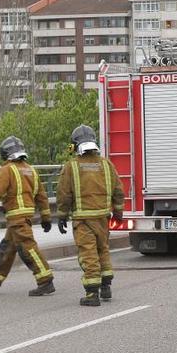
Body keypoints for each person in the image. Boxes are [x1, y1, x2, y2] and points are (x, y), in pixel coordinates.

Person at [0, 136, 55, 296]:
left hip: (17, 217)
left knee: (28, 248)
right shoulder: (31, 170)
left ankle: (45, 280)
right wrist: (46, 218)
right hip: (23, 216)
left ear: (5, 154)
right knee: (6, 248)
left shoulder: (7, 170)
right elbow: (42, 196)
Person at [56, 125, 125, 306]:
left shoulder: (71, 167)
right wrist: (118, 213)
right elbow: (118, 190)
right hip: (103, 218)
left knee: (88, 253)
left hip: (83, 220)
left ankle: (91, 293)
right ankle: (106, 286)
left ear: (75, 145)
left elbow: (64, 194)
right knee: (103, 250)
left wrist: (62, 215)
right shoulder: (106, 164)